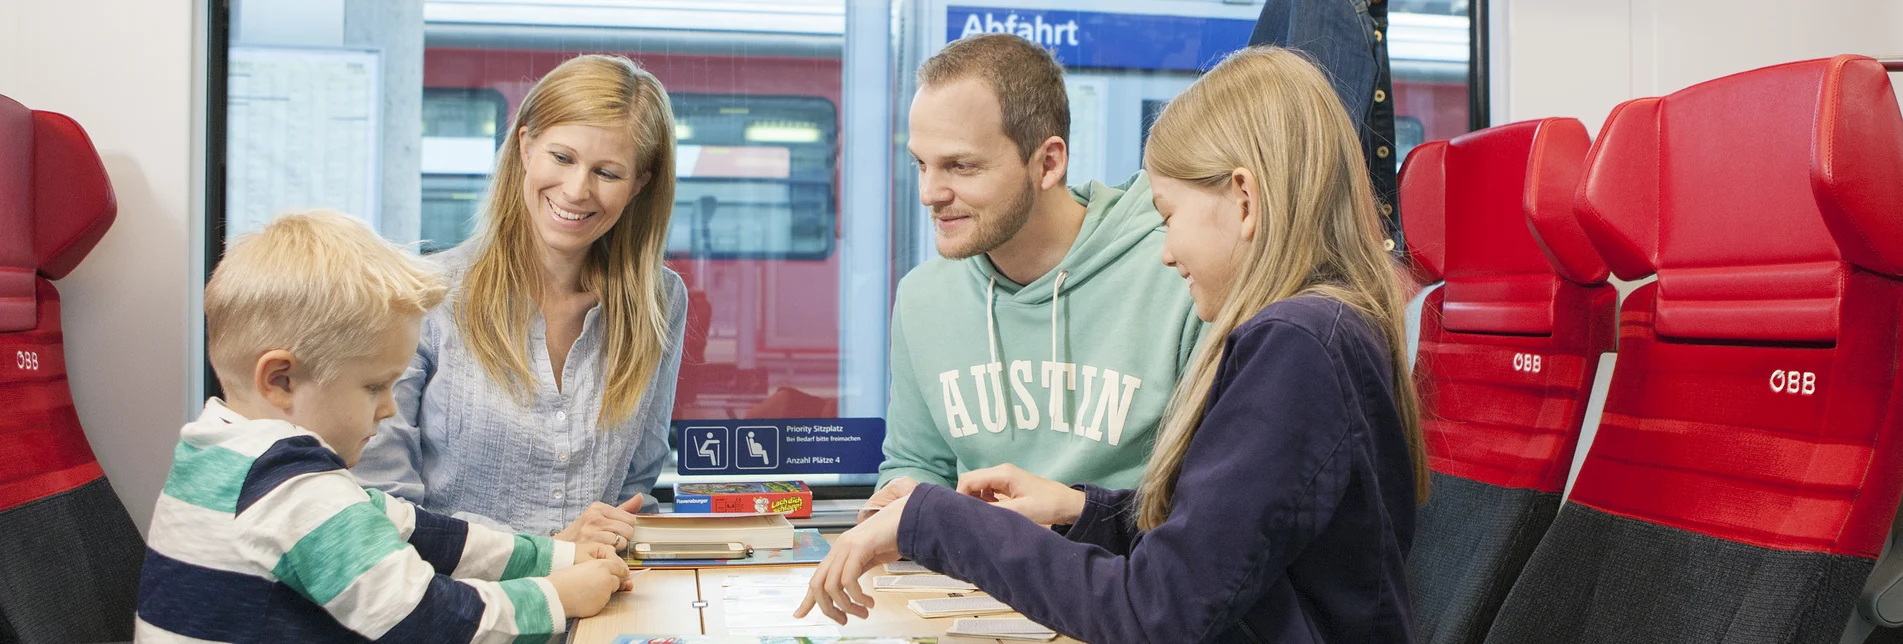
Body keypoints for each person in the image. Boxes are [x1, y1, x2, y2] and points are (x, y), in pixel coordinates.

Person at [799, 46, 1430, 643]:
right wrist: (1082, 509)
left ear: (1244, 199)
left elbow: (1156, 611)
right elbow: (1216, 542)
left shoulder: (1293, 347)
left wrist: (937, 521)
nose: (1166, 251)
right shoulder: (1319, 332)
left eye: (1169, 214)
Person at [138, 211, 631, 642]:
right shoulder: (293, 493)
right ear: (281, 380)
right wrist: (556, 596)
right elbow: (425, 623)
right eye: (374, 386)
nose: (389, 409)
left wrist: (554, 556)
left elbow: (419, 530)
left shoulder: (223, 455)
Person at [355, 54, 688, 547]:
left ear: (640, 183)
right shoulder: (423, 293)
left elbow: (634, 485)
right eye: (562, 157)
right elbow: (381, 503)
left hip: (601, 607)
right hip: (459, 606)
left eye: (608, 172)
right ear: (526, 145)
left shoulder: (660, 299)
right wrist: (547, 554)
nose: (577, 190)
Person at [867, 33, 1204, 515]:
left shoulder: (1178, 271)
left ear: (1048, 163)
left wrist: (1069, 512)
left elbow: (1211, 503)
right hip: (978, 580)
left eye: (960, 166)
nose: (929, 193)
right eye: (922, 164)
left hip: (1127, 576)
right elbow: (917, 462)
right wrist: (902, 494)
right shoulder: (923, 298)